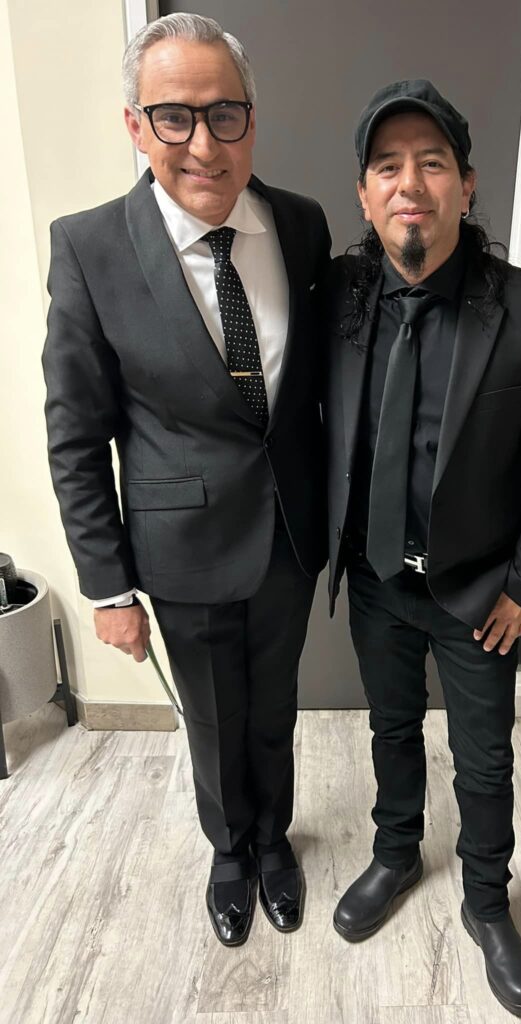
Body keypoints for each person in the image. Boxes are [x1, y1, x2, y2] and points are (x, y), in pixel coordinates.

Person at [42, 14, 330, 947]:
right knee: (212, 716)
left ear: (253, 119)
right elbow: (76, 434)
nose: (204, 144)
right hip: (179, 545)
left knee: (274, 707)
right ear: (136, 124)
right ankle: (231, 851)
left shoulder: (301, 224)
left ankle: (276, 841)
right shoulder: (90, 247)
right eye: (174, 116)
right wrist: (107, 586)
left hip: (289, 532)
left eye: (224, 114)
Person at [324, 80, 521, 1016]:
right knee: (390, 729)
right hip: (376, 579)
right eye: (388, 166)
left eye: (432, 163)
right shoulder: (341, 297)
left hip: (480, 595)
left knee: (483, 761)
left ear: (466, 186)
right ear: (365, 195)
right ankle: (396, 854)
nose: (411, 183)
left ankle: (487, 903)